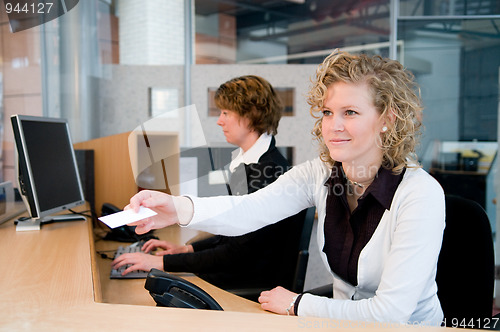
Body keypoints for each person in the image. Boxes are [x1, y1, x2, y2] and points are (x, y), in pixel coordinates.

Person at [123, 51, 445, 325]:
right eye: (327, 112)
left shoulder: (420, 194)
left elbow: (390, 314)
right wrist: (177, 208)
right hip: (345, 326)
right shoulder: (320, 173)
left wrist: (297, 304)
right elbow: (248, 210)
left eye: (351, 112)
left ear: (387, 118)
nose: (333, 126)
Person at [112, 75, 306, 298]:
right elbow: (232, 232)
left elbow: (237, 253)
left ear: (250, 114)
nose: (219, 121)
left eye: (226, 113)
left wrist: (162, 262)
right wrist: (187, 249)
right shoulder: (251, 162)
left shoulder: (269, 171)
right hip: (236, 271)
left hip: (247, 283)